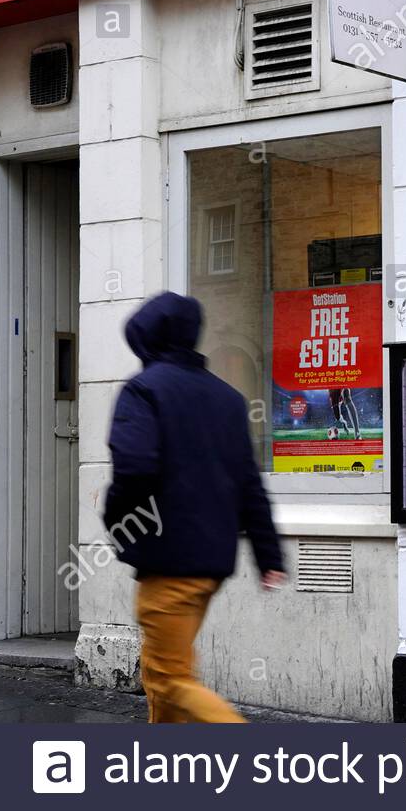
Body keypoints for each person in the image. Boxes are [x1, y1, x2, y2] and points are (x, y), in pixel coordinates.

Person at [104, 292, 285, 723]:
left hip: (168, 562)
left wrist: (116, 521)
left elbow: (134, 469)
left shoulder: (143, 390)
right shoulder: (227, 399)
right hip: (210, 565)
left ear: (146, 337)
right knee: (160, 675)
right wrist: (269, 555)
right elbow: (249, 483)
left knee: (170, 679)